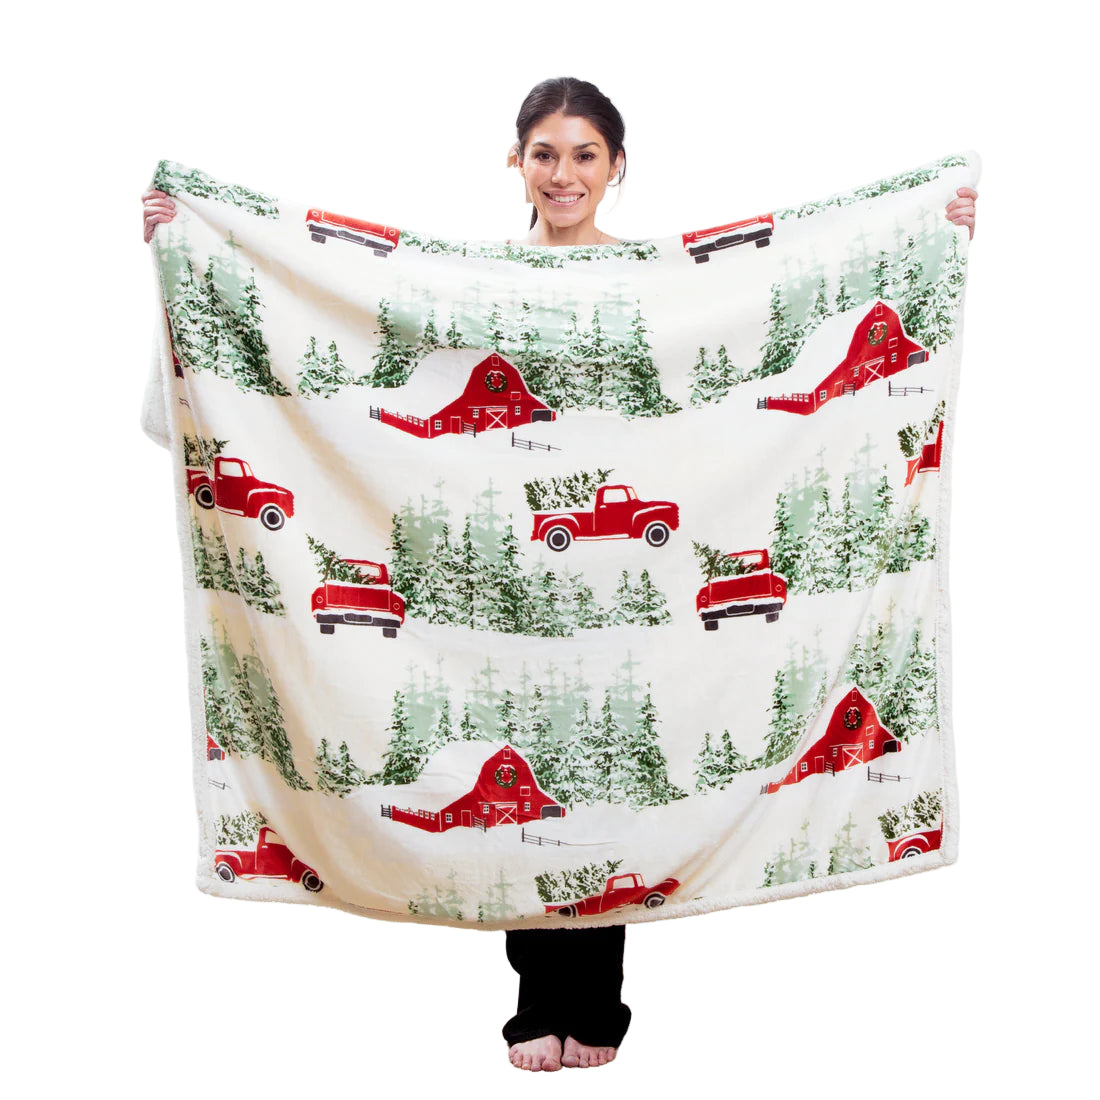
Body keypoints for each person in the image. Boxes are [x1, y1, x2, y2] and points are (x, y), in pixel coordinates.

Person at [140, 77, 978, 1074]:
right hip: (504, 582)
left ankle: (596, 1005)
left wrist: (928, 231)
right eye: (545, 152)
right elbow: (366, 318)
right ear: (516, 161)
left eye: (585, 154)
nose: (564, 173)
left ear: (616, 165)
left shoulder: (655, 281)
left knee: (598, 794)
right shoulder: (475, 281)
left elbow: (744, 325)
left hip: (628, 596)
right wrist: (188, 246)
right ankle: (537, 1002)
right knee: (519, 784)